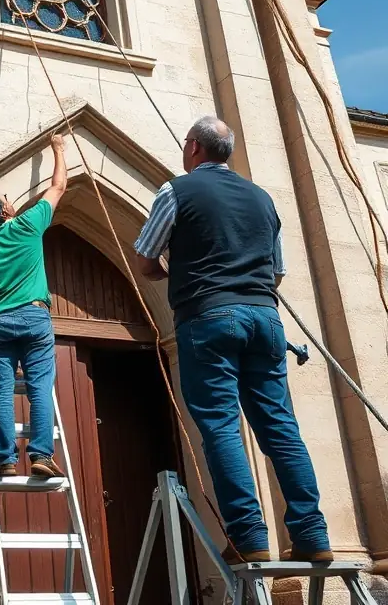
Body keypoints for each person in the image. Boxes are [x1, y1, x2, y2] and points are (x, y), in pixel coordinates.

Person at [134, 116, 331, 564]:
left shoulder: (176, 191)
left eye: (187, 143)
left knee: (221, 426)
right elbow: (277, 271)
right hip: (265, 318)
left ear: (195, 149)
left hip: (209, 318)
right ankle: (313, 535)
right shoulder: (263, 198)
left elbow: (145, 258)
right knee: (280, 428)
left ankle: (248, 537)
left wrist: (178, 272)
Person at [0, 133, 67, 479]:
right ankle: (40, 454)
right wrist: (58, 149)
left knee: (0, 390)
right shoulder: (27, 226)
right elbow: (58, 187)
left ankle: (5, 459)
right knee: (40, 385)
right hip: (33, 315)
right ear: (6, 209)